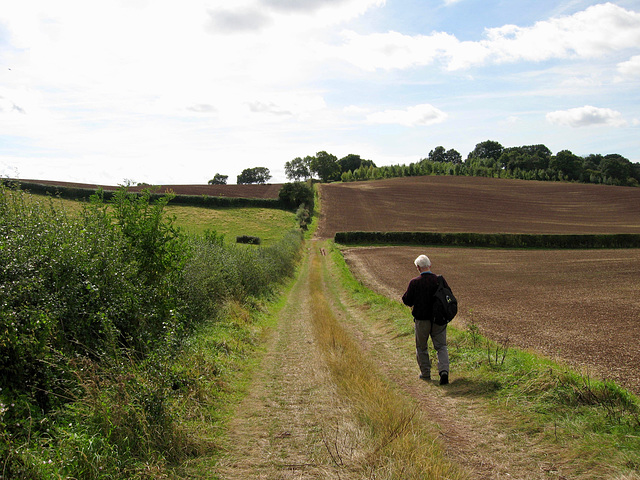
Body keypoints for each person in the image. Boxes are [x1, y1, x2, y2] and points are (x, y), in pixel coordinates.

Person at [402, 254, 452, 385]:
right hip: (439, 320)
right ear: (430, 265)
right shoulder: (439, 280)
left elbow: (407, 300)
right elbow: (448, 296)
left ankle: (425, 373)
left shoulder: (415, 282)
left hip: (422, 320)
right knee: (441, 346)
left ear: (418, 268)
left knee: (421, 347)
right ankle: (444, 372)